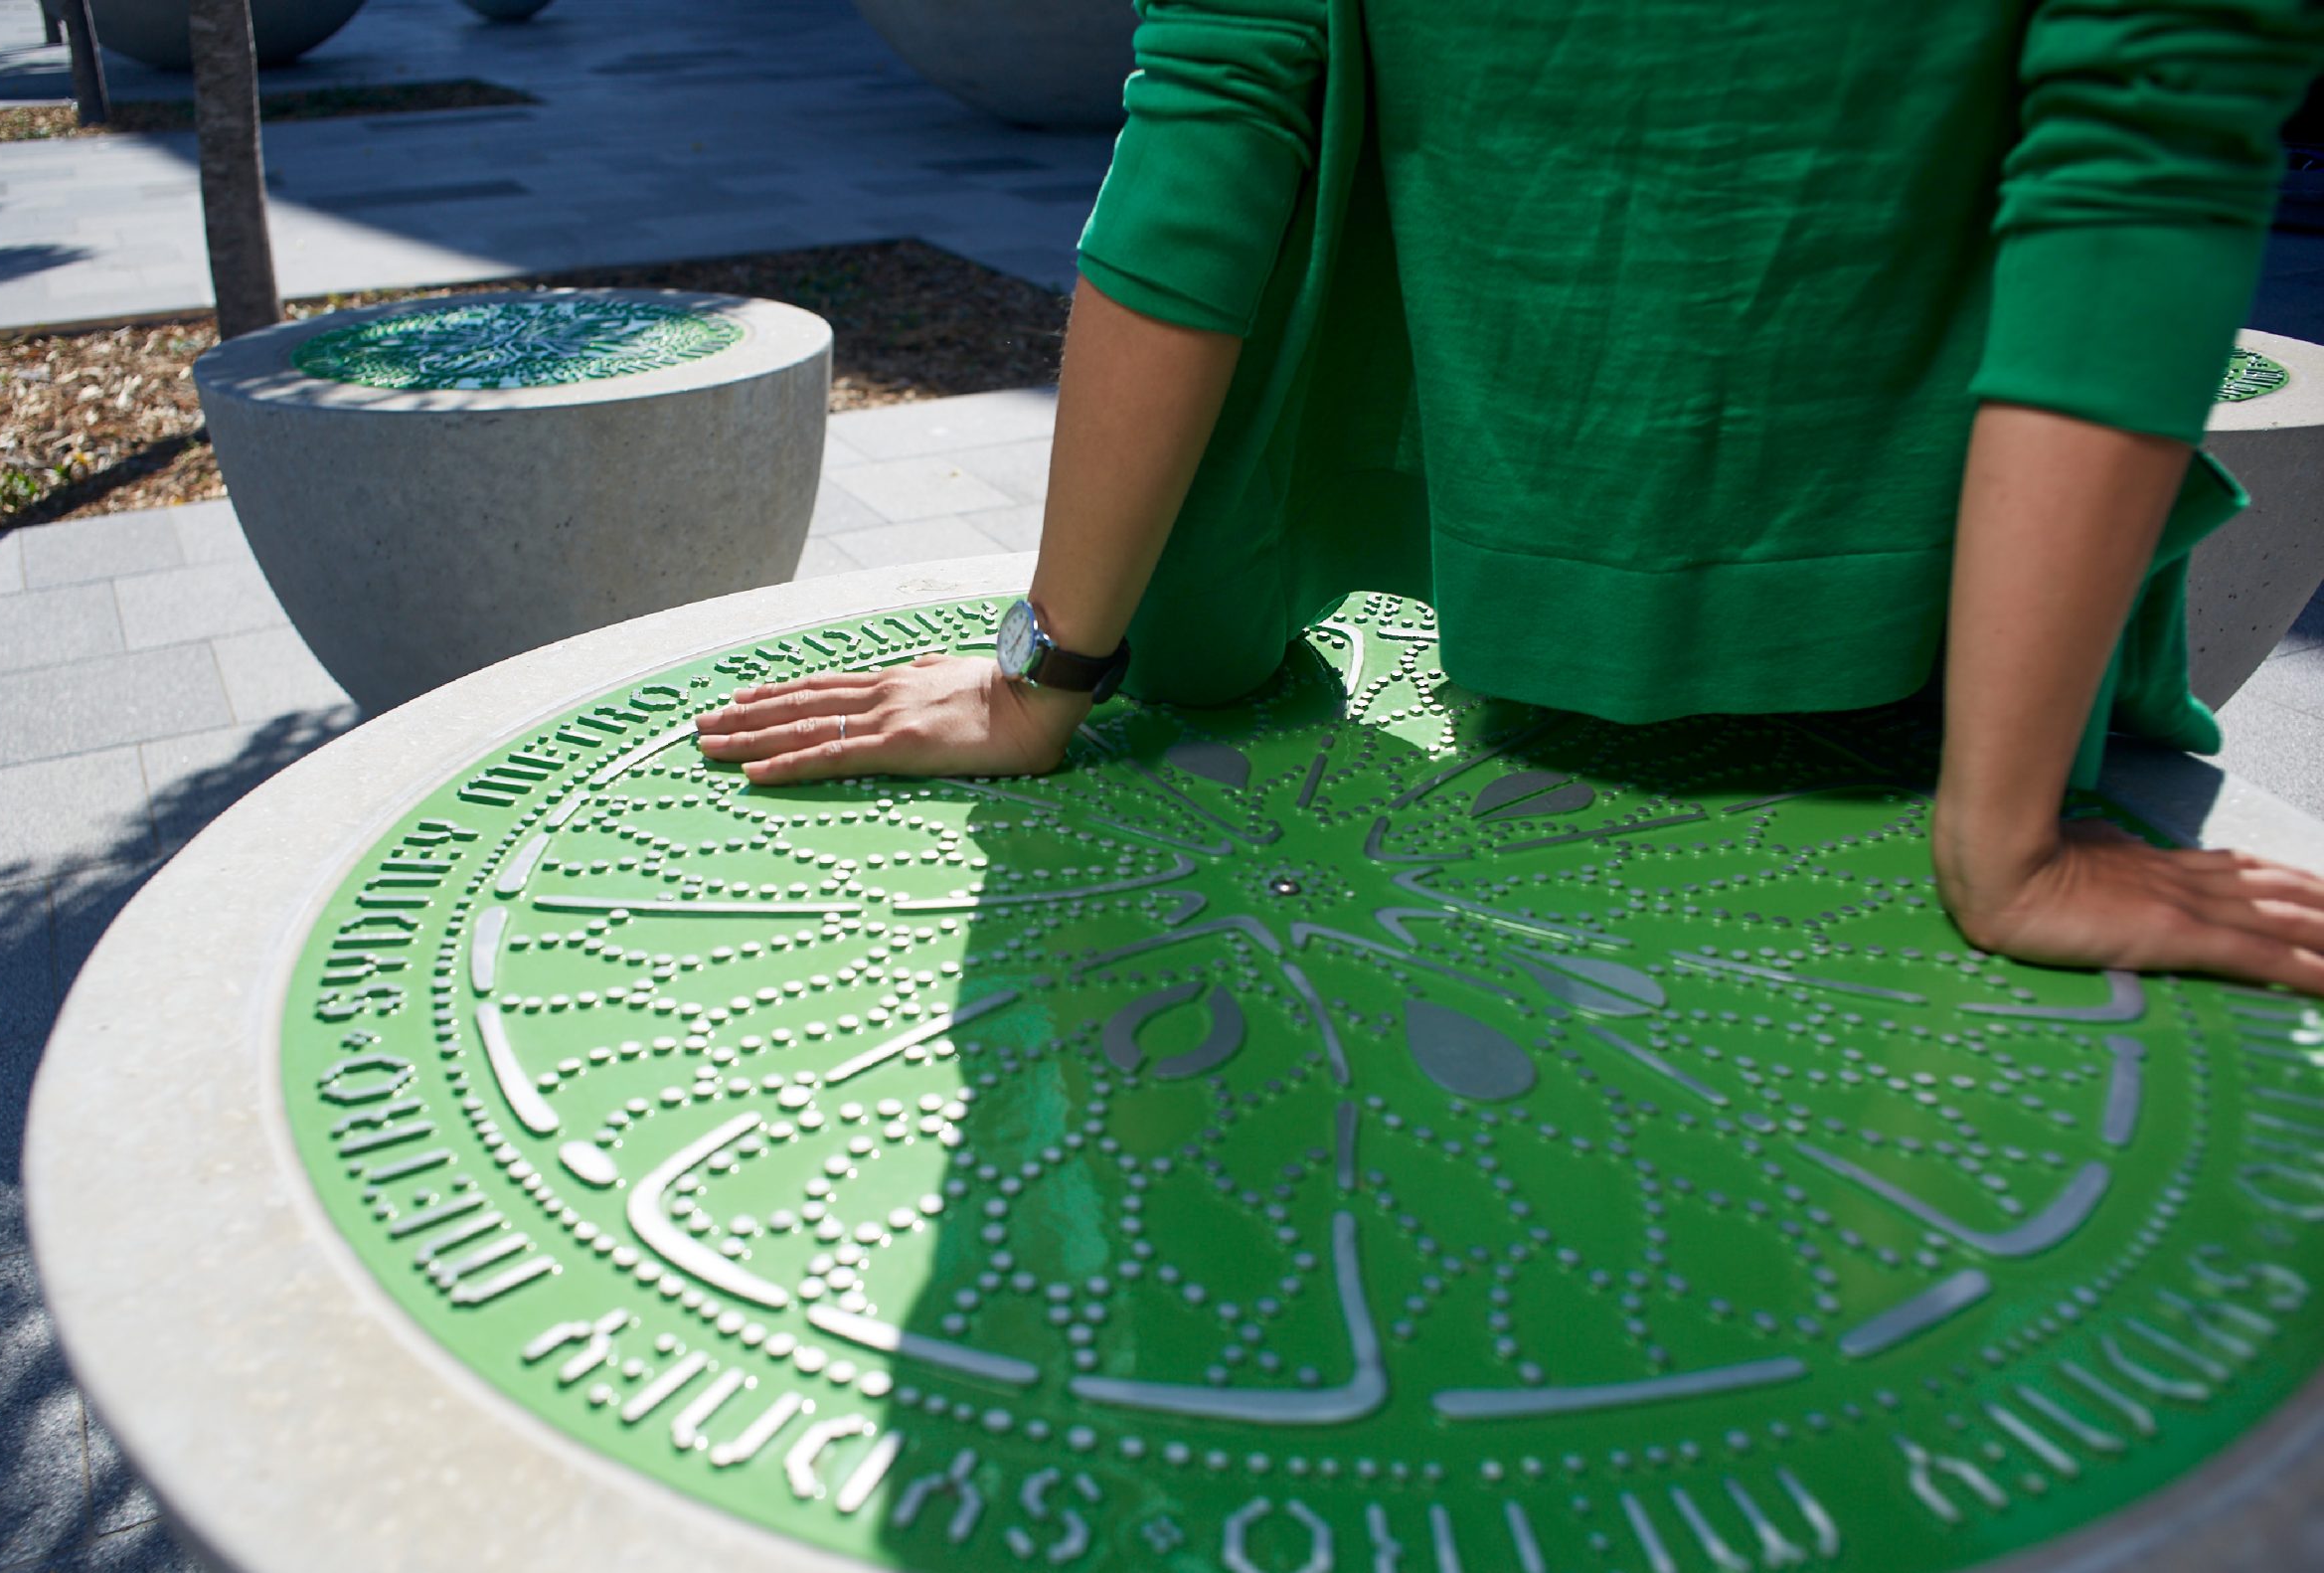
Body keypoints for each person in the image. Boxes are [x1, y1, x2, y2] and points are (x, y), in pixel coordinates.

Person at [698, 0, 2324, 996]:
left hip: (1489, 624)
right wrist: (2007, 847)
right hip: (1937, 682)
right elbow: (2137, 168)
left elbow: (1215, 115)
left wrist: (1048, 670)